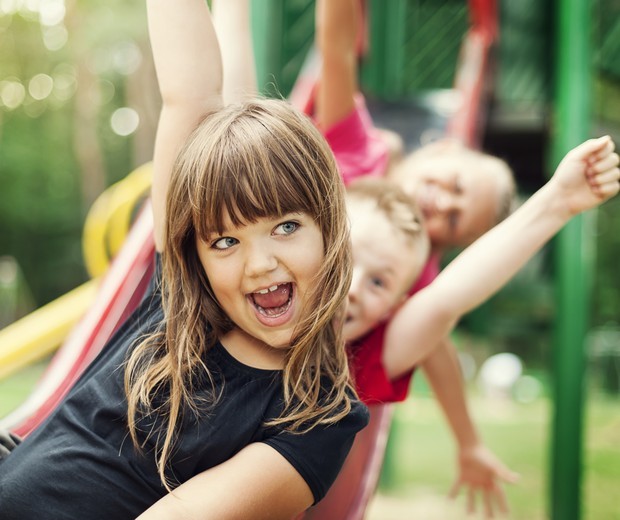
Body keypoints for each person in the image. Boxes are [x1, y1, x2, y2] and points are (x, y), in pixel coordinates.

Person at [0, 0, 369, 518]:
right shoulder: (175, 305)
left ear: (330, 229)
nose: (259, 264)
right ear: (195, 251)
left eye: (285, 227)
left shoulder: (318, 419)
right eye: (225, 241)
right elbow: (190, 91)